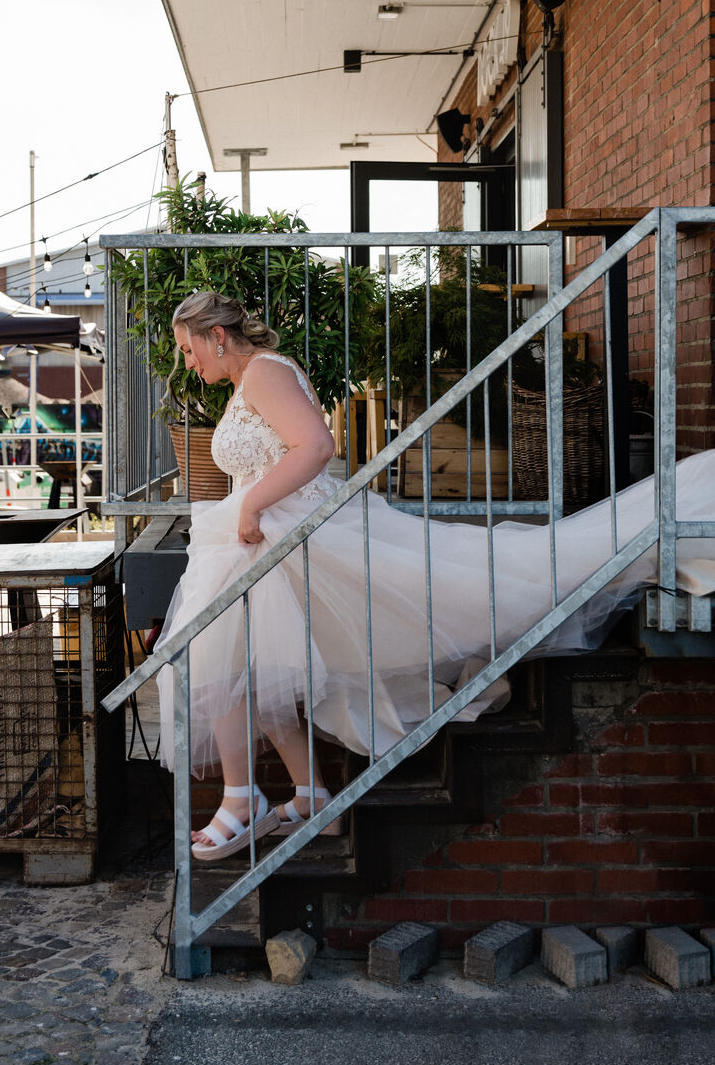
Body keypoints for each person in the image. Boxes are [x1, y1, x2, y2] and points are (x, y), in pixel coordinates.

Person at [155, 290, 715, 864]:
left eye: (188, 350)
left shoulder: (265, 373)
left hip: (291, 531)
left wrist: (250, 508)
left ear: (216, 336)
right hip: (265, 538)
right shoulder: (252, 378)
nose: (188, 364)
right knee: (245, 657)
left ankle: (244, 799)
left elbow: (316, 446)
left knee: (218, 649)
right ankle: (307, 796)